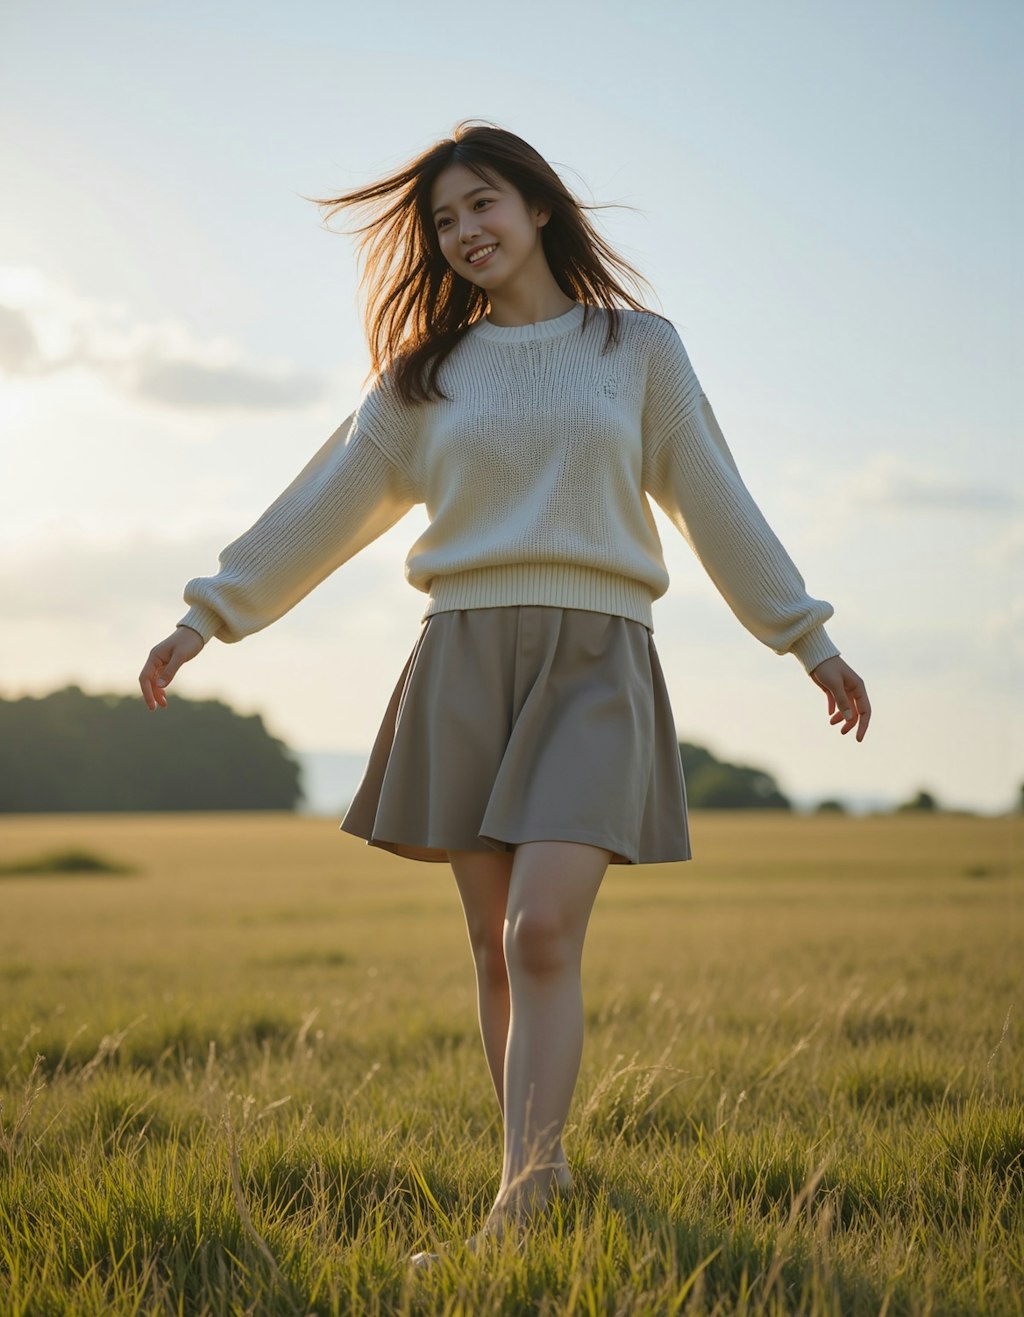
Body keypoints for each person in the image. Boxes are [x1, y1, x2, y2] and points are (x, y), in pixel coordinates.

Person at [138, 120, 870, 1261]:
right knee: (492, 946)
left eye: (480, 203)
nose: (463, 230)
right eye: (441, 220)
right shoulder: (425, 377)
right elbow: (319, 508)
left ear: (535, 208)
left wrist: (806, 640)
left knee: (539, 933)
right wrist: (205, 619)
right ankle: (541, 1170)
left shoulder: (637, 351)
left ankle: (516, 1210)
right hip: (463, 658)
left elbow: (714, 499)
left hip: (597, 661)